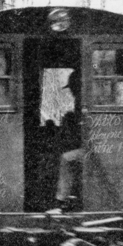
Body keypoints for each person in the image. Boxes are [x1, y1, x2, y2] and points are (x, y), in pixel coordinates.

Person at [54, 70, 84, 209]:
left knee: (66, 158)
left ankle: (61, 200)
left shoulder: (82, 101)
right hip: (84, 147)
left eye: (72, 87)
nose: (71, 91)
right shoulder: (80, 100)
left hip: (90, 149)